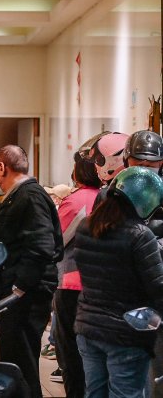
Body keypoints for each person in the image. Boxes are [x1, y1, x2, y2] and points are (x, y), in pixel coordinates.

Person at [75, 166, 163, 398]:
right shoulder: (141, 235)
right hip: (126, 333)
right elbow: (158, 287)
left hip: (88, 328)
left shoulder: (86, 226)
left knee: (94, 393)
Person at [0, 145, 63, 398]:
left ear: (1, 167)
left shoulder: (30, 196)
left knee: (22, 363)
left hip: (25, 299)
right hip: (17, 297)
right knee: (14, 362)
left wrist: (18, 288)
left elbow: (41, 246)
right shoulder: (20, 195)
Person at [51, 152, 102, 398]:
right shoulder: (110, 198)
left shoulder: (75, 201)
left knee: (70, 350)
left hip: (72, 283)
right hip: (102, 284)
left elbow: (56, 241)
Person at [122, 130, 163, 398]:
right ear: (127, 162)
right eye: (139, 164)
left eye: (151, 165)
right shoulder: (115, 194)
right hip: (122, 293)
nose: (145, 171)